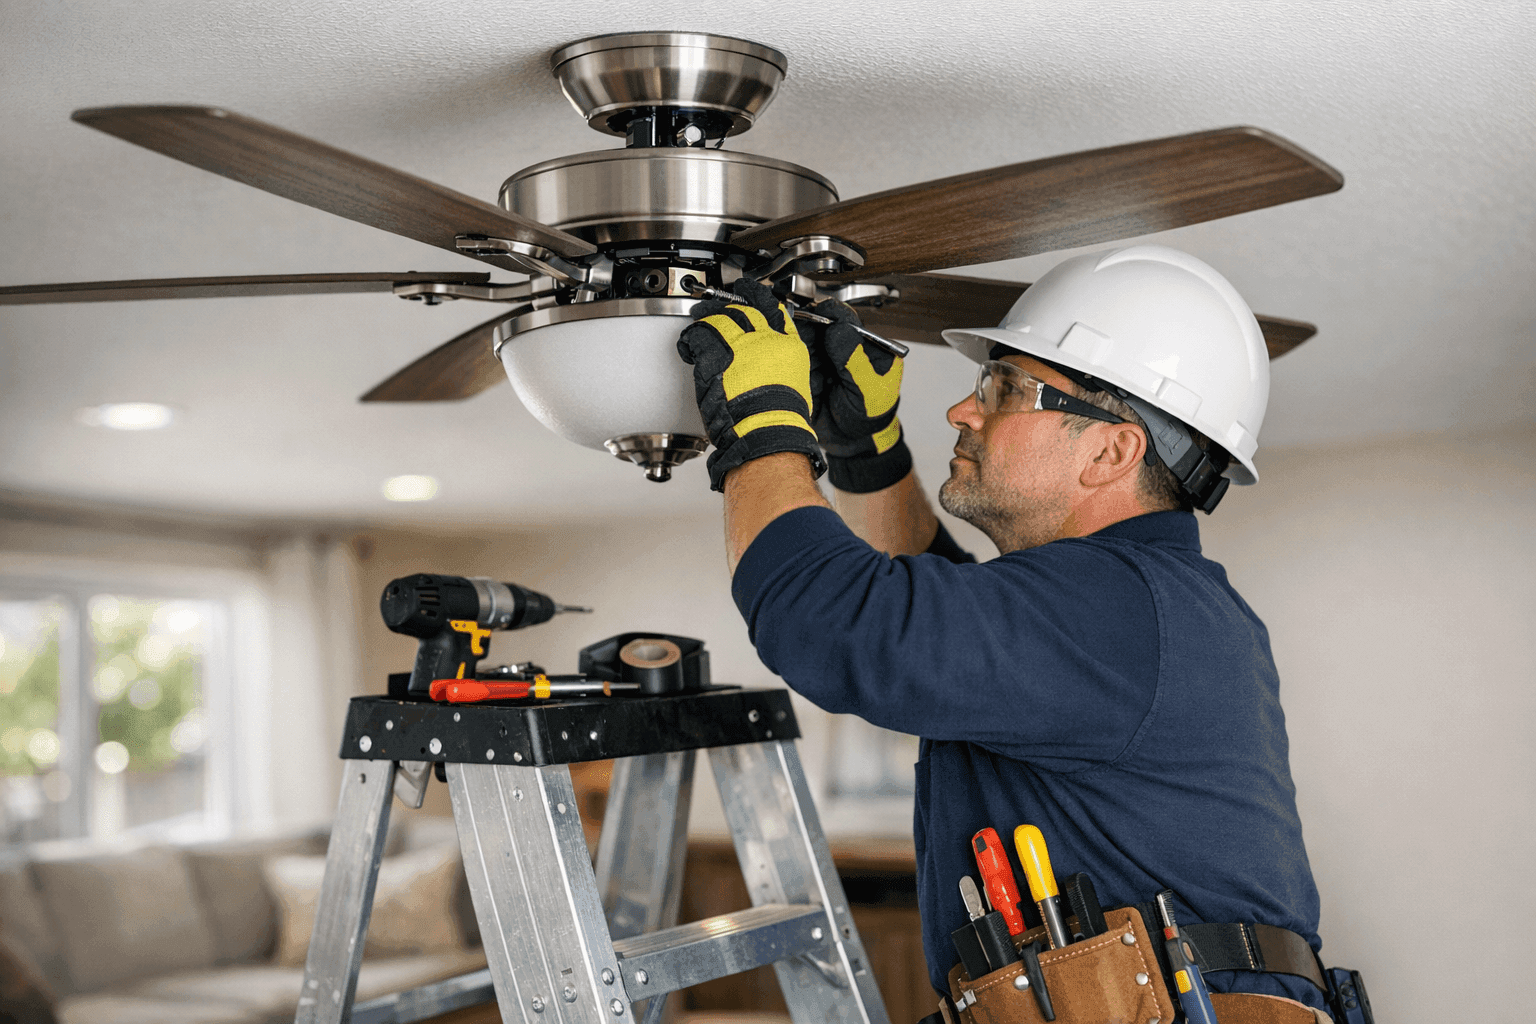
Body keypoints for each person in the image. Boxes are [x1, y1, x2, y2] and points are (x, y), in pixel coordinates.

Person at [675, 244, 1328, 1015]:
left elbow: (835, 623)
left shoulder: (1120, 608)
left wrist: (760, 420)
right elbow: (943, 620)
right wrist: (866, 450)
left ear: (1112, 449)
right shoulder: (1142, 605)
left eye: (1006, 387)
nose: (963, 409)